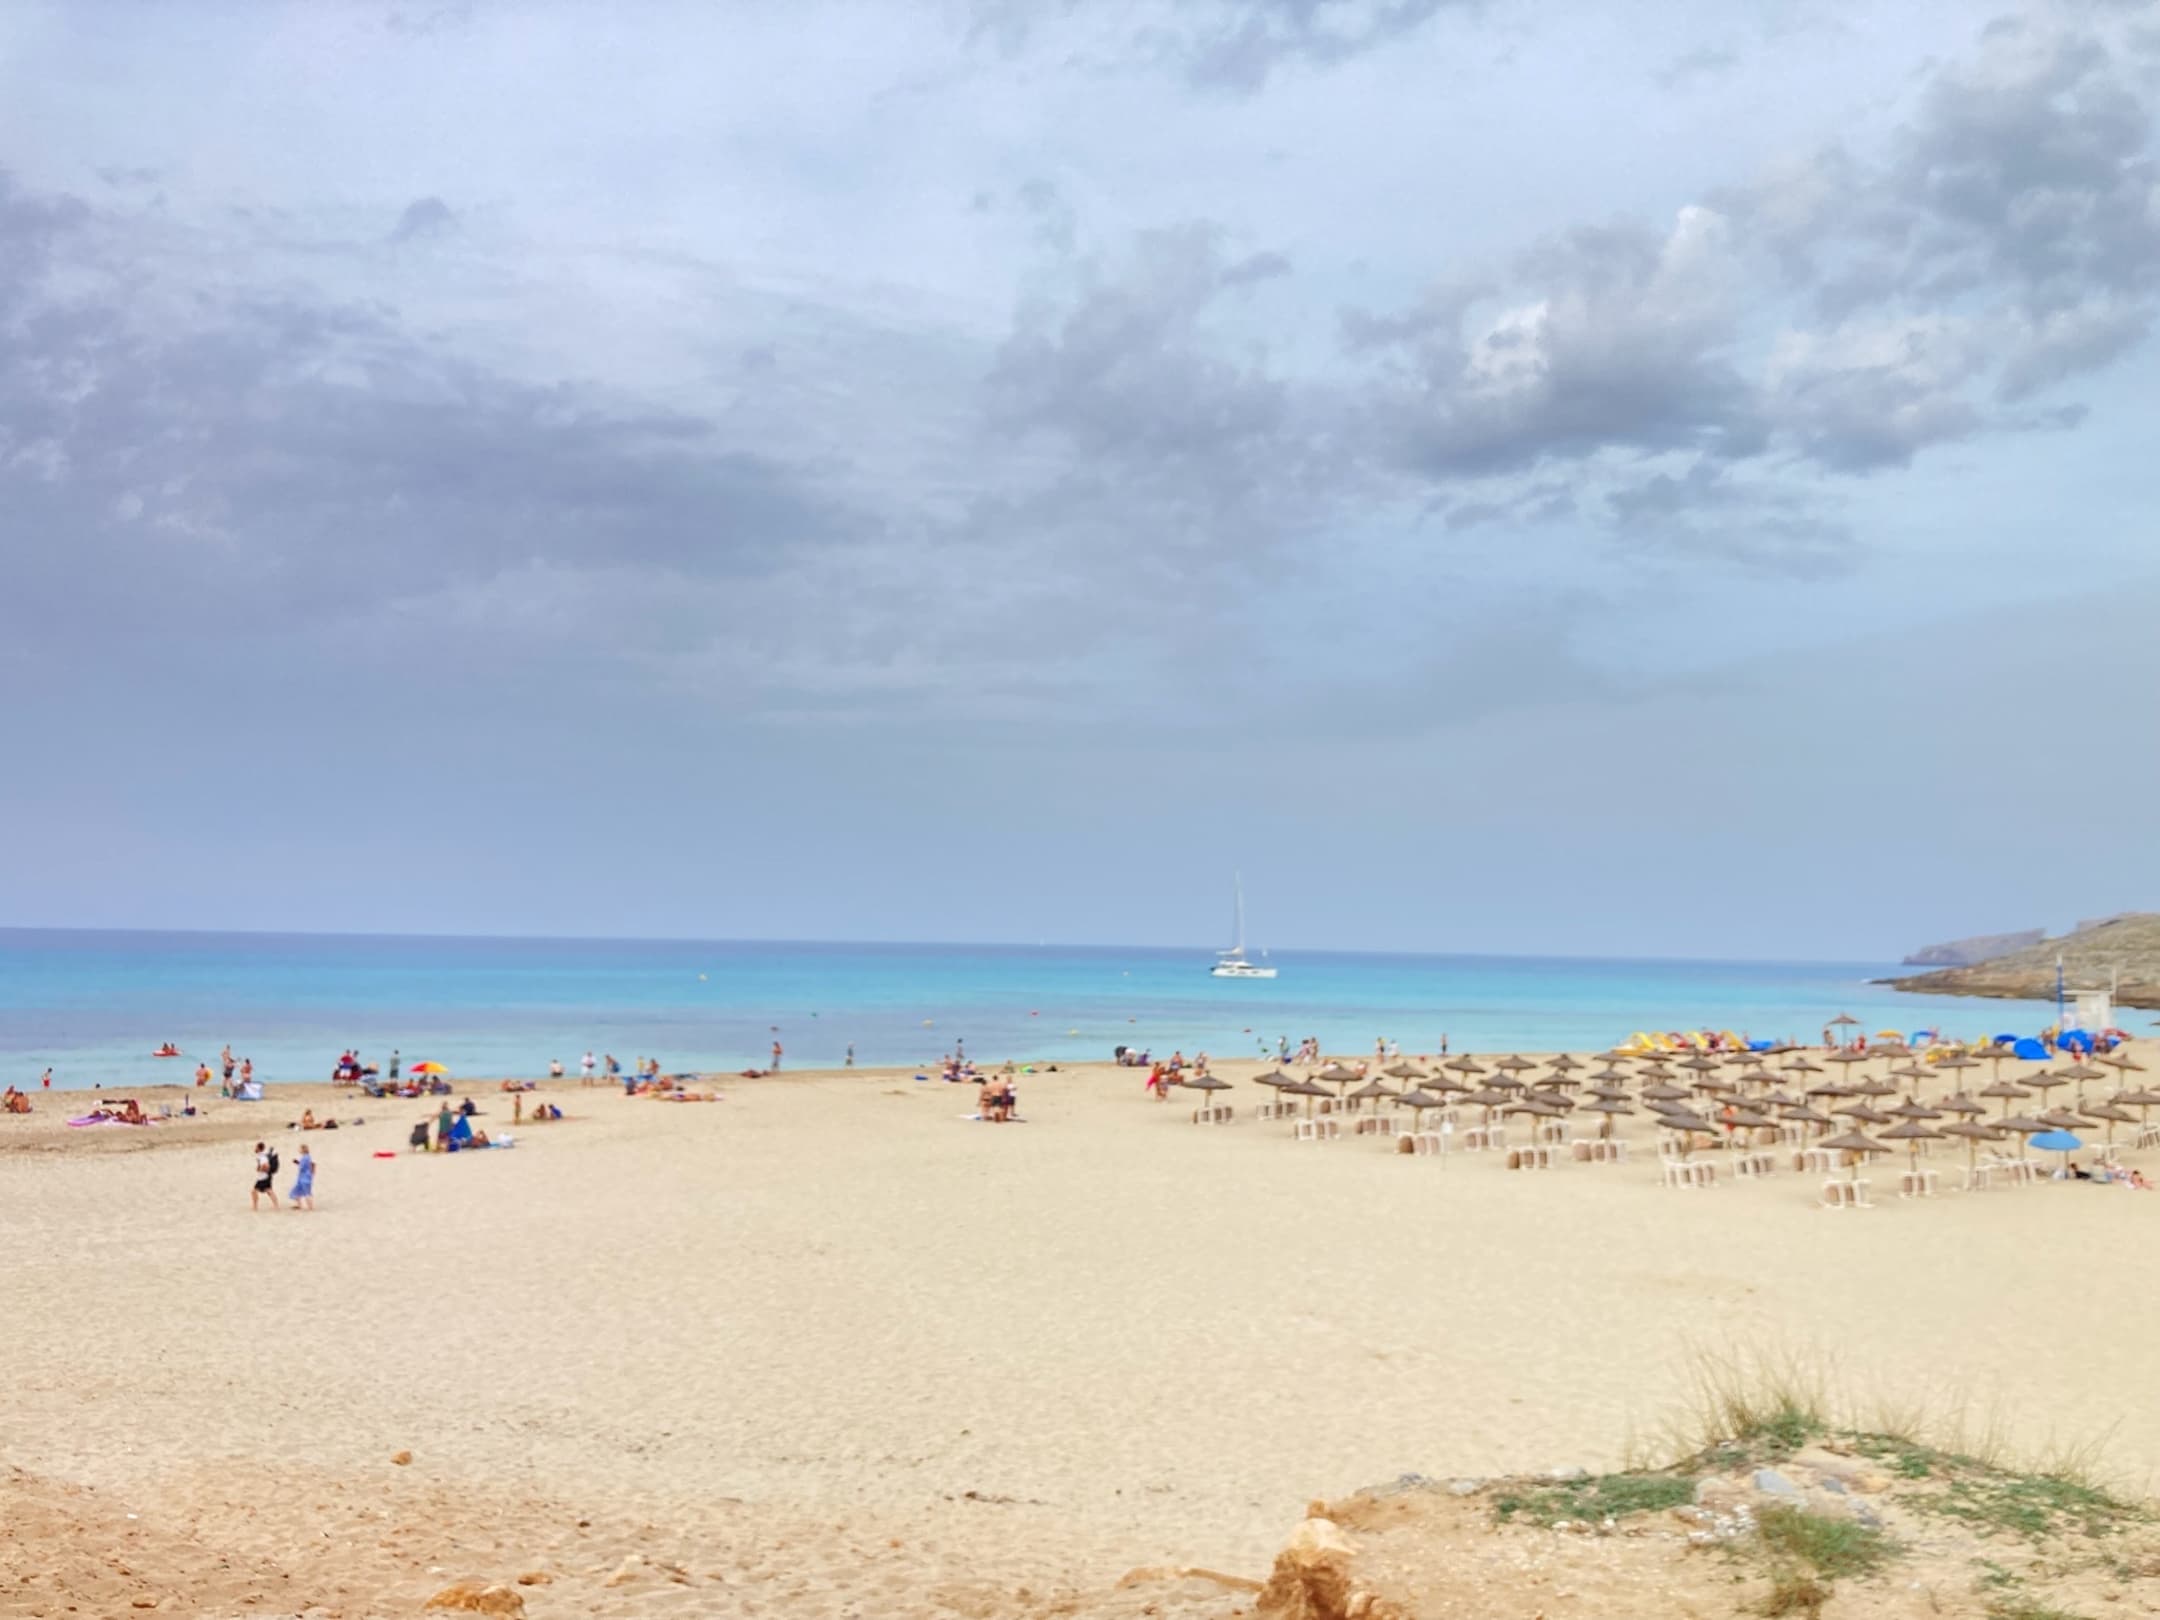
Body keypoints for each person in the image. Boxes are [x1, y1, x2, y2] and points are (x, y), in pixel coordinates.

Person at [251, 1142, 279, 1210]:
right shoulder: (262, 1156)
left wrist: (259, 1169)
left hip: (263, 1177)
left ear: (259, 1148)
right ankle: (276, 1206)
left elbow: (267, 1166)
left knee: (254, 1191)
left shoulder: (263, 1157)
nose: (255, 1148)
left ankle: (255, 1207)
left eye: (256, 1147)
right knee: (269, 1191)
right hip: (265, 1177)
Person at [288, 1145, 315, 1211]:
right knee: (296, 1191)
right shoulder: (307, 1157)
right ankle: (299, 1205)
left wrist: (298, 1163)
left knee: (306, 1193)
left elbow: (302, 1167)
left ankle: (310, 1208)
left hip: (304, 1178)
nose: (299, 1150)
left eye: (300, 1149)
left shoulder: (305, 1158)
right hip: (304, 1177)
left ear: (303, 1150)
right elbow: (310, 1165)